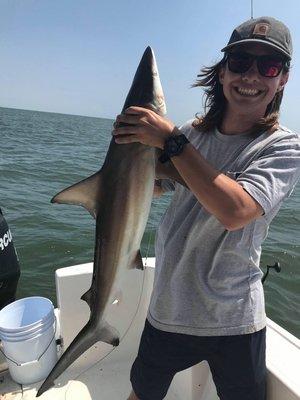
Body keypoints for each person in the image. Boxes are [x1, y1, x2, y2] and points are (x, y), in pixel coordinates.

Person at [113, 16, 300, 400]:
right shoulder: (189, 133)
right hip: (169, 308)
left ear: (282, 79)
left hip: (236, 319)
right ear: (222, 70)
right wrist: (132, 154)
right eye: (240, 62)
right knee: (141, 394)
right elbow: (157, 188)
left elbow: (236, 211)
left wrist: (170, 142)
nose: (251, 76)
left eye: (268, 66)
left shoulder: (282, 147)